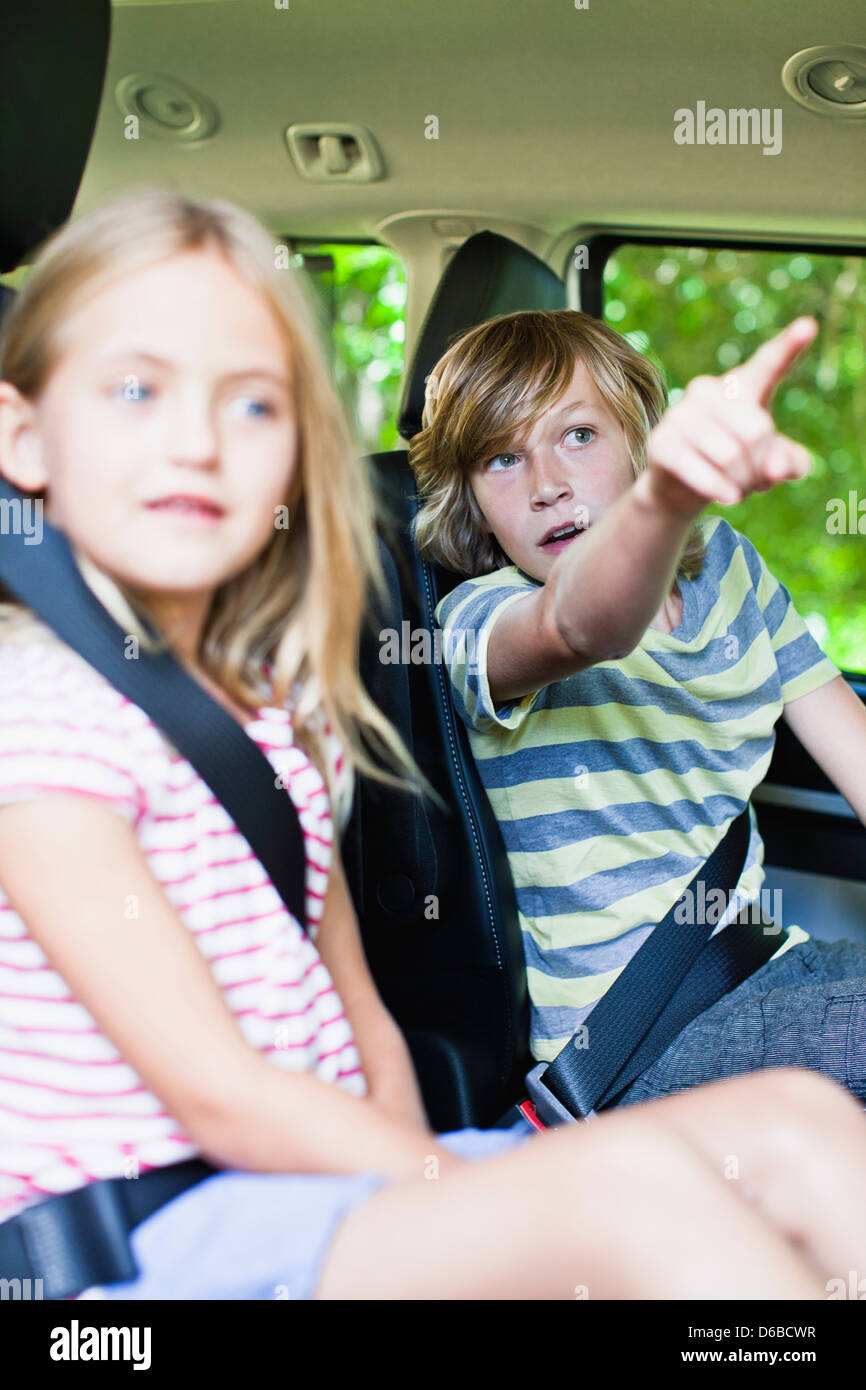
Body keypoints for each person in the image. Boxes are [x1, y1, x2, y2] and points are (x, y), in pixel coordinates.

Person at [0, 191, 864, 1302]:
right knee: (638, 1187)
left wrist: (435, 1173)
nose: (197, 438)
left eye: (253, 404)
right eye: (137, 390)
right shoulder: (38, 720)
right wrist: (442, 1190)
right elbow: (218, 1092)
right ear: (22, 437)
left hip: (318, 1190)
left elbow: (353, 1008)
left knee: (792, 1124)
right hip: (143, 1232)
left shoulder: (278, 711)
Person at [411, 308, 866, 1109]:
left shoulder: (729, 568)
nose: (547, 483)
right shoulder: (478, 622)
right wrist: (664, 499)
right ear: (473, 501)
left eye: (577, 436)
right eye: (502, 459)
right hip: (635, 1047)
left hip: (767, 968)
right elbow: (582, 626)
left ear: (637, 437)